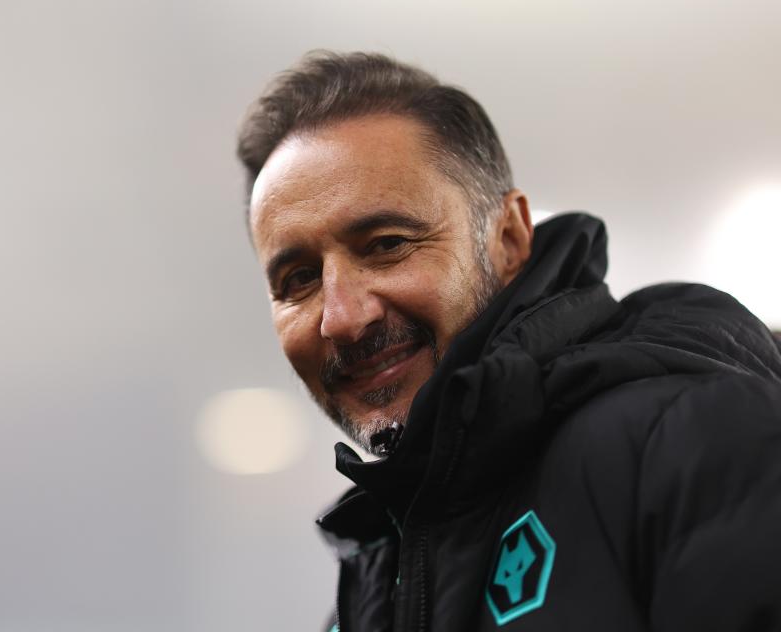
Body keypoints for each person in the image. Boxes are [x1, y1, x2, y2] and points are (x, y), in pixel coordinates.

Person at [235, 51, 781, 631]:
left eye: (387, 243)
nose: (341, 318)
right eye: (298, 280)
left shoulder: (699, 444)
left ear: (510, 237)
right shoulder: (372, 590)